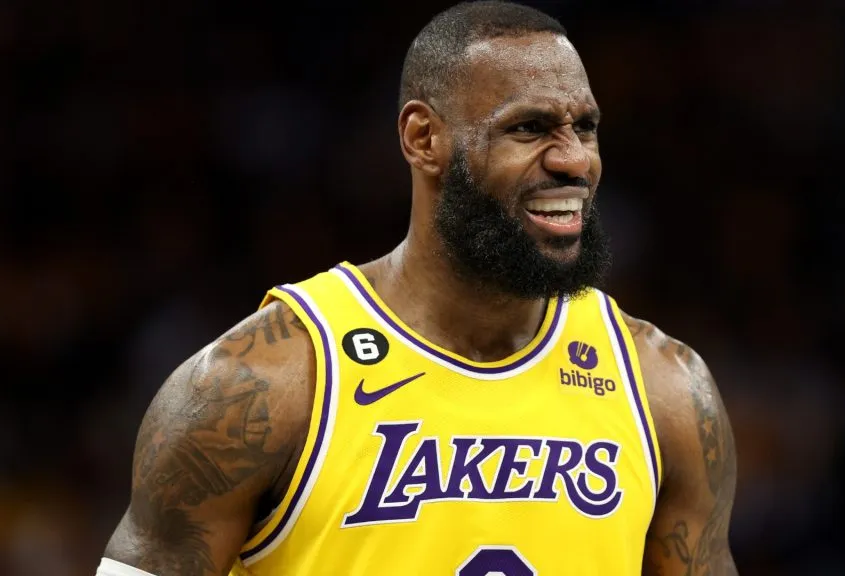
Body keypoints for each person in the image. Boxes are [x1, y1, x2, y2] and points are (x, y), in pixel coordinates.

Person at [97, 2, 738, 575]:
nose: (574, 159)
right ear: (422, 138)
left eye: (586, 127)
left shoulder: (666, 390)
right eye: (529, 128)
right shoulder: (261, 384)